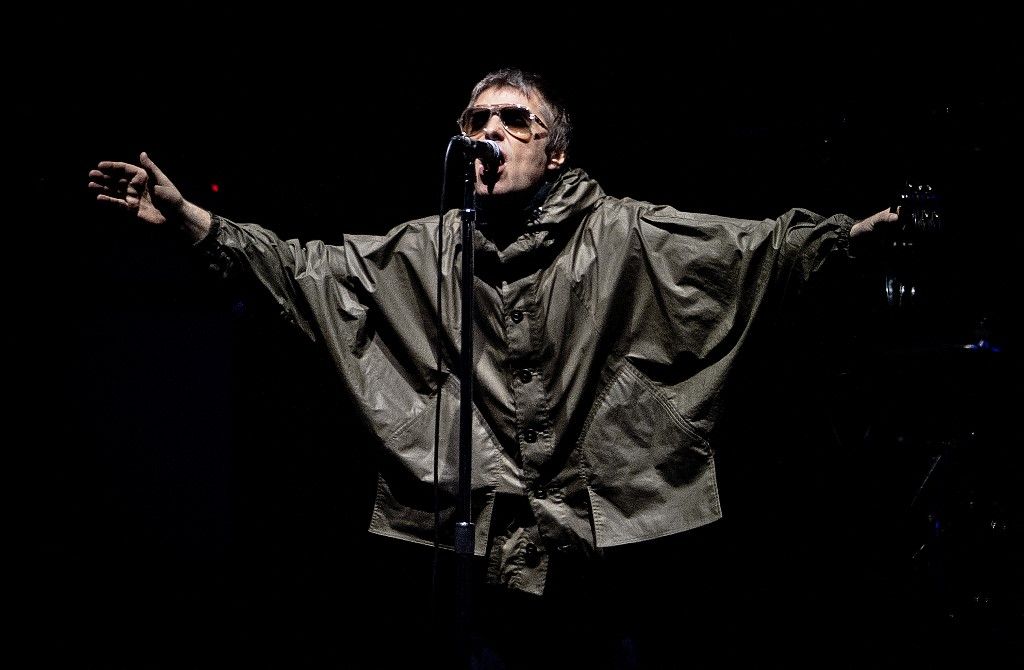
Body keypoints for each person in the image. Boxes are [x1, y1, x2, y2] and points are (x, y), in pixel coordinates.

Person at [89, 68, 900, 668]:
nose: (493, 132)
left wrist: (855, 237)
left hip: (610, 559)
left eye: (517, 121)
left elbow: (749, 251)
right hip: (480, 563)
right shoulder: (427, 251)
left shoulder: (621, 234)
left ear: (554, 152)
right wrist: (191, 220)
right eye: (479, 118)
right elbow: (304, 271)